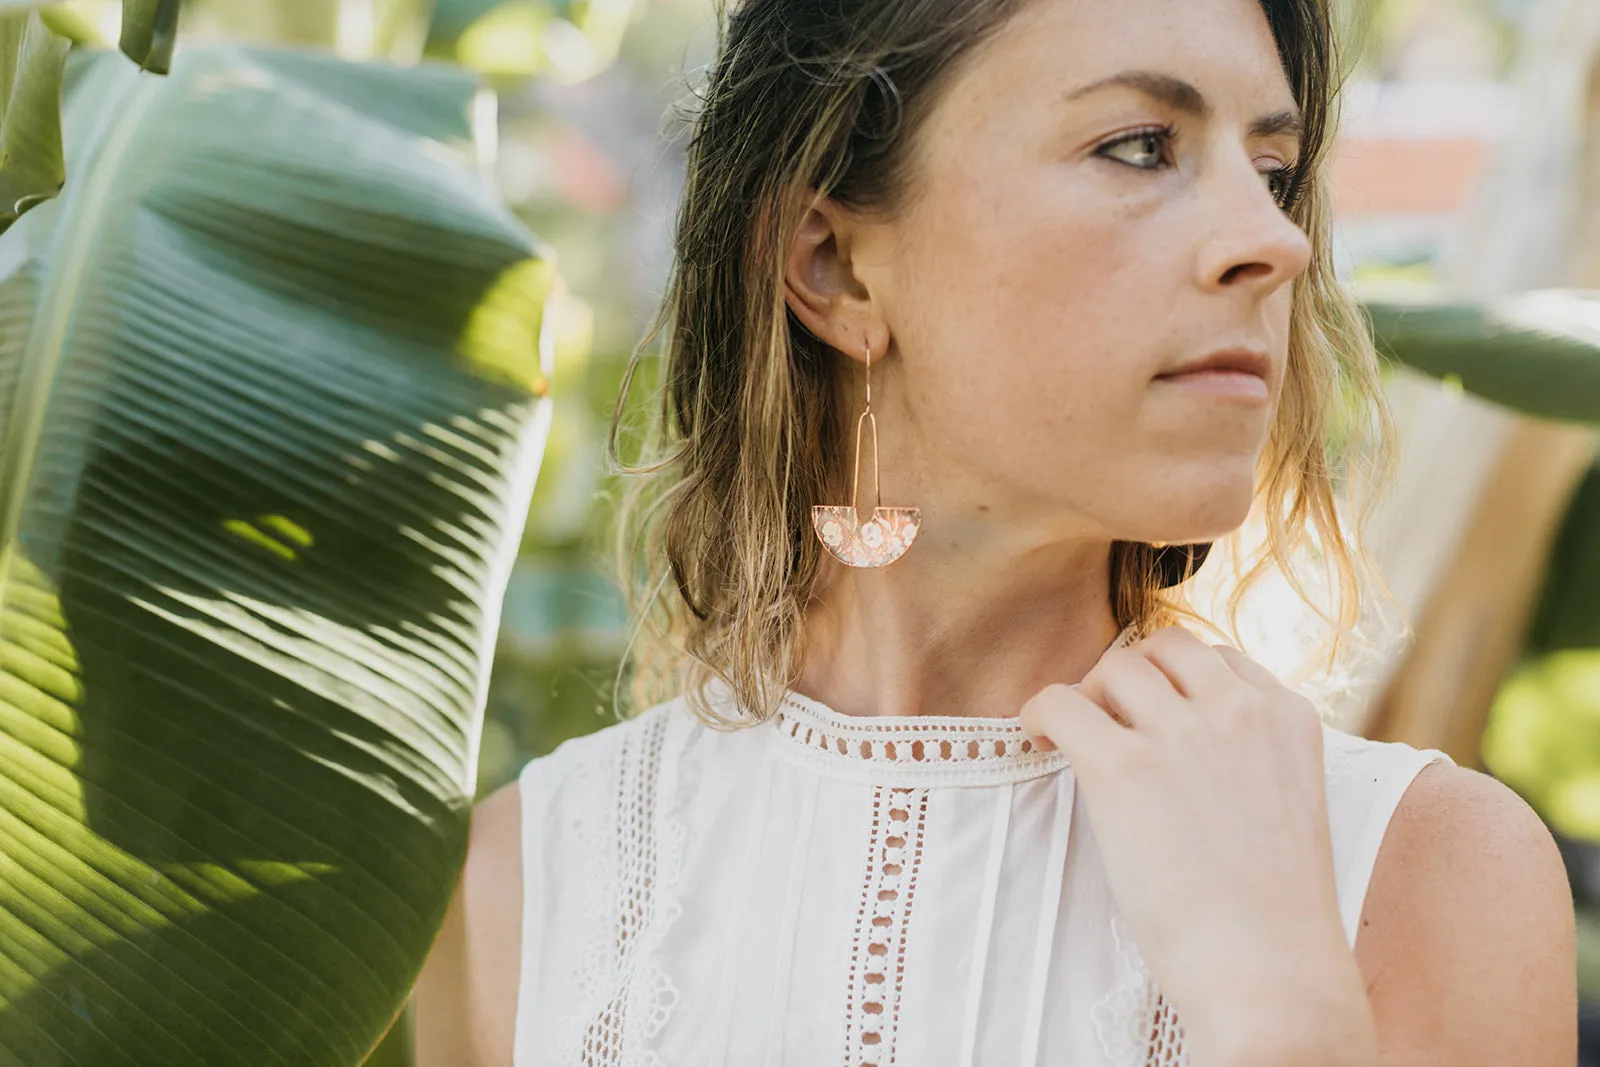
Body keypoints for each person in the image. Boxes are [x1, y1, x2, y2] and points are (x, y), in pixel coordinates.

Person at [412, 0, 1577, 1063]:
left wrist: (1282, 1006)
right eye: (1139, 145)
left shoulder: (1424, 872)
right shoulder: (519, 889)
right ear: (834, 267)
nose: (1278, 243)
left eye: (1271, 169)